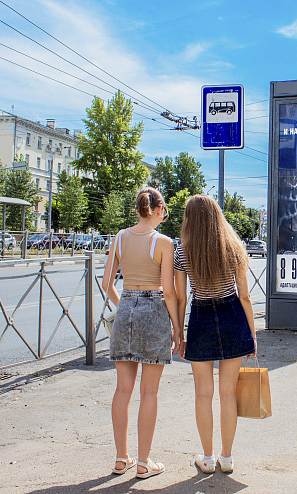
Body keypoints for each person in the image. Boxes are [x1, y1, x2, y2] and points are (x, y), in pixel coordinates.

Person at [174, 194, 257, 475]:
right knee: (228, 393)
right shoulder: (233, 246)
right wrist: (252, 335)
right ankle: (227, 457)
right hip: (232, 316)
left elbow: (181, 298)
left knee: (203, 394)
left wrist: (179, 333)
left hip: (201, 318)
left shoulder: (182, 252)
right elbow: (245, 296)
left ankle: (207, 458)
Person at [102, 187, 182, 479]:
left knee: (122, 389)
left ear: (138, 210)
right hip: (154, 310)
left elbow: (106, 283)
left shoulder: (120, 238)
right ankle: (145, 462)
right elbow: (169, 292)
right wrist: (177, 328)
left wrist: (126, 306)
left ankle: (121, 458)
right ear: (159, 210)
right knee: (149, 392)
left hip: (125, 309)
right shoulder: (163, 242)